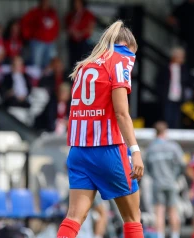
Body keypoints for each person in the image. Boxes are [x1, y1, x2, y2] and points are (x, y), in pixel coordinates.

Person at [56, 20, 144, 238]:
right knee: (133, 218)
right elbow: (122, 113)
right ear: (127, 47)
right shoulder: (120, 60)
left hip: (78, 151)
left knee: (73, 218)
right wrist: (135, 151)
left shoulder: (85, 66)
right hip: (108, 150)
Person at [145, 121, 185, 238]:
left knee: (159, 212)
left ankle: (160, 236)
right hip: (171, 183)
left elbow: (146, 168)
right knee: (173, 211)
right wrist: (175, 176)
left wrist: (155, 176)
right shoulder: (173, 146)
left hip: (157, 183)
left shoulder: (151, 148)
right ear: (165, 132)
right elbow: (182, 164)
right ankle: (175, 235)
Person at [157, 47, 194, 128]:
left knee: (177, 120)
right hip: (167, 97)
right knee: (167, 118)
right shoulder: (165, 68)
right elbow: (159, 82)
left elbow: (191, 81)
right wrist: (161, 94)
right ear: (174, 56)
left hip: (179, 98)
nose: (182, 58)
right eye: (180, 56)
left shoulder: (184, 69)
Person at [21, 0, 60, 69]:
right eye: (44, 1)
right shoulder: (34, 12)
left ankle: (46, 79)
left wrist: (54, 36)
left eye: (47, 1)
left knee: (50, 64)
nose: (45, 3)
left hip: (50, 42)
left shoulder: (52, 12)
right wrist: (28, 36)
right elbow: (25, 23)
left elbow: (56, 26)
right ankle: (35, 79)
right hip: (38, 42)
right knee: (36, 63)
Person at [168, 0, 194, 69]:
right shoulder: (182, 7)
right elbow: (170, 20)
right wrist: (181, 25)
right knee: (186, 61)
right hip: (186, 39)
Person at [66, 0, 96, 69]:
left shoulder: (88, 14)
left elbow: (90, 29)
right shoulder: (71, 15)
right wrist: (72, 32)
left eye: (78, 3)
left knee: (83, 60)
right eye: (75, 3)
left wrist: (80, 34)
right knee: (73, 61)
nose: (76, 5)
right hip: (73, 42)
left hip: (83, 42)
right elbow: (67, 27)